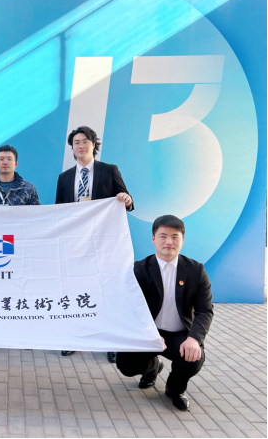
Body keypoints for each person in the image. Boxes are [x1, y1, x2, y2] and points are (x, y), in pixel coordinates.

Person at [116, 215, 213, 411]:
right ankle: (153, 367)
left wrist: (194, 338)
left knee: (194, 357)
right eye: (163, 236)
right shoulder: (139, 269)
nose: (169, 241)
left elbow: (205, 310)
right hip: (147, 333)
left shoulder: (196, 270)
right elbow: (129, 307)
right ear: (153, 239)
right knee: (125, 364)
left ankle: (174, 389)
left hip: (179, 335)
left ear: (182, 240)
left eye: (175, 237)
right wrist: (147, 333)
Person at [56, 126, 134, 360]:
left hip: (105, 244)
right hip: (76, 245)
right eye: (76, 143)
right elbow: (58, 212)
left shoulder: (109, 171)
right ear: (72, 148)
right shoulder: (64, 177)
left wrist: (126, 199)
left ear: (93, 144)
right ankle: (76, 338)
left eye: (85, 141)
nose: (80, 146)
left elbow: (128, 202)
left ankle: (112, 342)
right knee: (78, 289)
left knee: (107, 290)